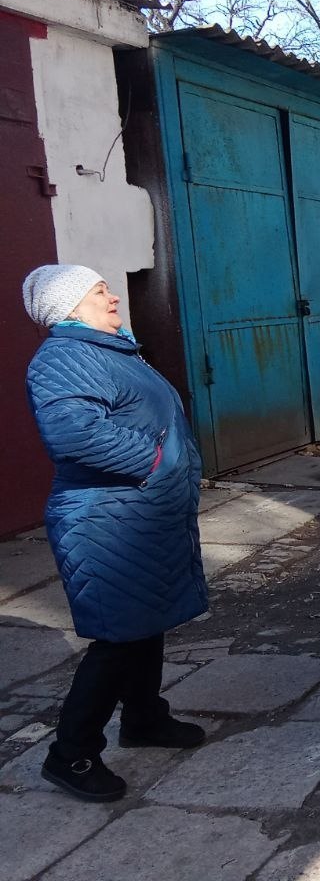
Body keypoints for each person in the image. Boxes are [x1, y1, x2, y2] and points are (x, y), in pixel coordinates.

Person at [22, 264, 208, 804]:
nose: (112, 297)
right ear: (69, 306)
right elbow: (72, 432)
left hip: (135, 514)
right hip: (104, 521)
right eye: (98, 290)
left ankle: (145, 717)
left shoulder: (109, 350)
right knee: (119, 638)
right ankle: (71, 755)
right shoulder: (64, 357)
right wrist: (155, 461)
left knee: (144, 622)